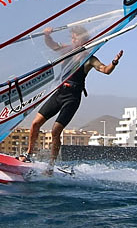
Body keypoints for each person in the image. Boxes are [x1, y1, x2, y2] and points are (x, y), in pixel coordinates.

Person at [23, 25, 123, 173]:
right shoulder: (66, 50)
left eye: (75, 37)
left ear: (83, 38)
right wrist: (47, 35)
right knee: (35, 123)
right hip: (59, 93)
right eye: (72, 37)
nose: (72, 39)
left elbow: (105, 70)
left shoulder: (89, 58)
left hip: (72, 98)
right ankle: (29, 155)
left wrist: (114, 62)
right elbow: (51, 45)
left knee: (55, 131)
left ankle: (50, 165)